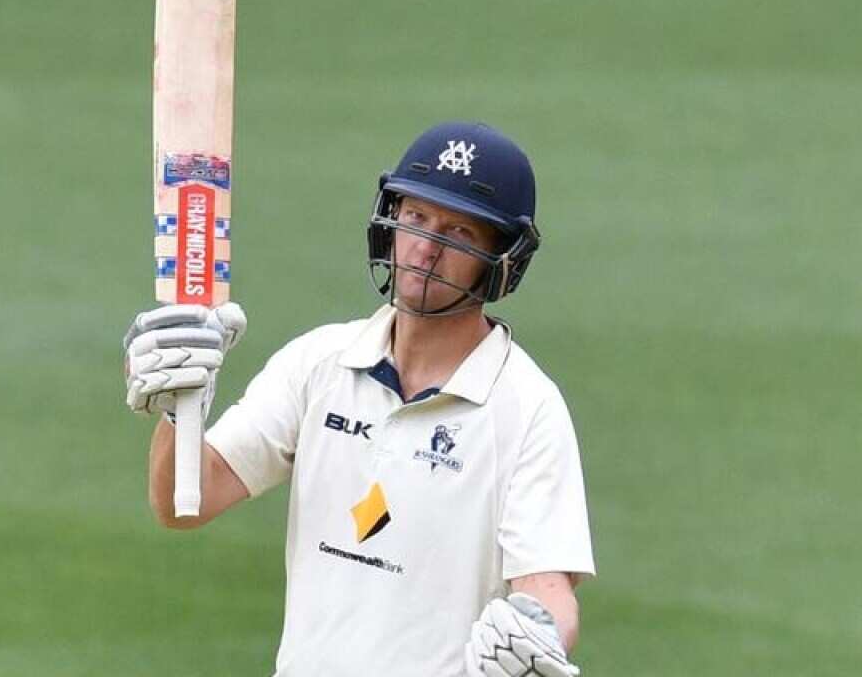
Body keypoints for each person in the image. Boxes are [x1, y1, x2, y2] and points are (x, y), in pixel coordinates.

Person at [124, 122, 595, 677]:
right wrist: (180, 410)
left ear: (502, 259)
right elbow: (184, 503)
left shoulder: (527, 407)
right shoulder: (320, 361)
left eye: (458, 232)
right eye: (416, 218)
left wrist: (539, 634)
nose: (426, 248)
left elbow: (548, 591)